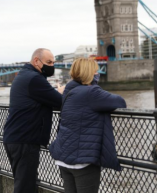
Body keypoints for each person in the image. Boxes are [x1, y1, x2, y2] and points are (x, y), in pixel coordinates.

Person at [49, 58, 126, 193]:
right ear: (90, 73)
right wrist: (95, 86)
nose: (97, 73)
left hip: (63, 157)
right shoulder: (91, 92)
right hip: (82, 160)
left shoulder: (69, 90)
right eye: (95, 71)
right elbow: (120, 102)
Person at [3, 48, 65, 193]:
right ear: (36, 61)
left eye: (53, 62)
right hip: (25, 140)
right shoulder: (34, 79)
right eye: (49, 62)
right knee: (26, 187)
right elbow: (59, 101)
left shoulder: (24, 75)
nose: (52, 66)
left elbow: (49, 100)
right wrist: (61, 92)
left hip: (16, 138)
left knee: (23, 184)